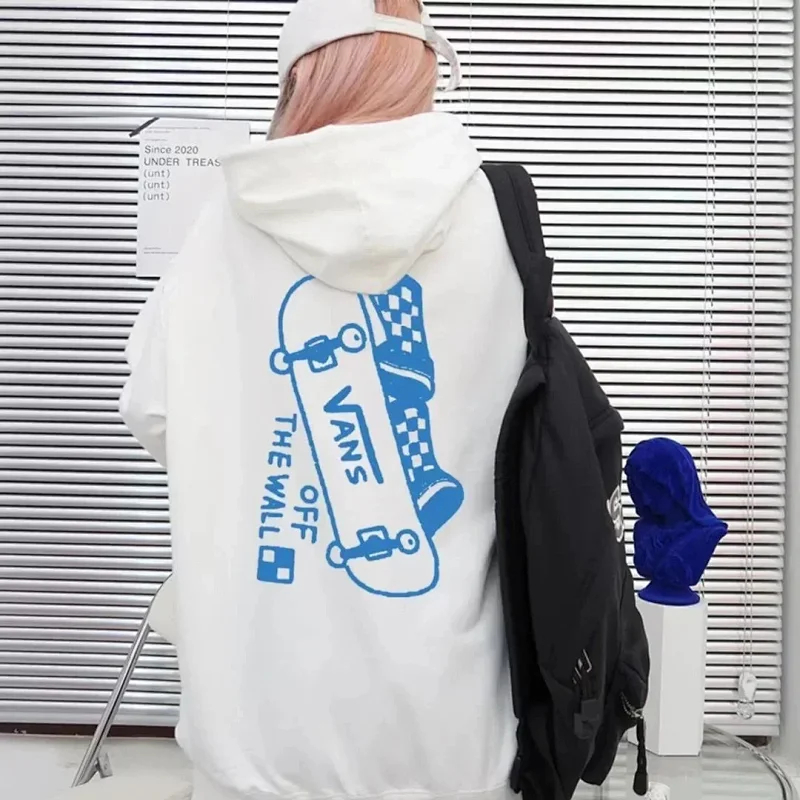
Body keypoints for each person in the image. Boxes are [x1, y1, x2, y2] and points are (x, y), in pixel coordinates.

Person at [120, 2, 527, 799]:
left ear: (301, 75)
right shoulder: (494, 214)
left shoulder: (228, 224)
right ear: (423, 66)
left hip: (259, 726)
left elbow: (154, 411)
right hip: (452, 730)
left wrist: (261, 450)